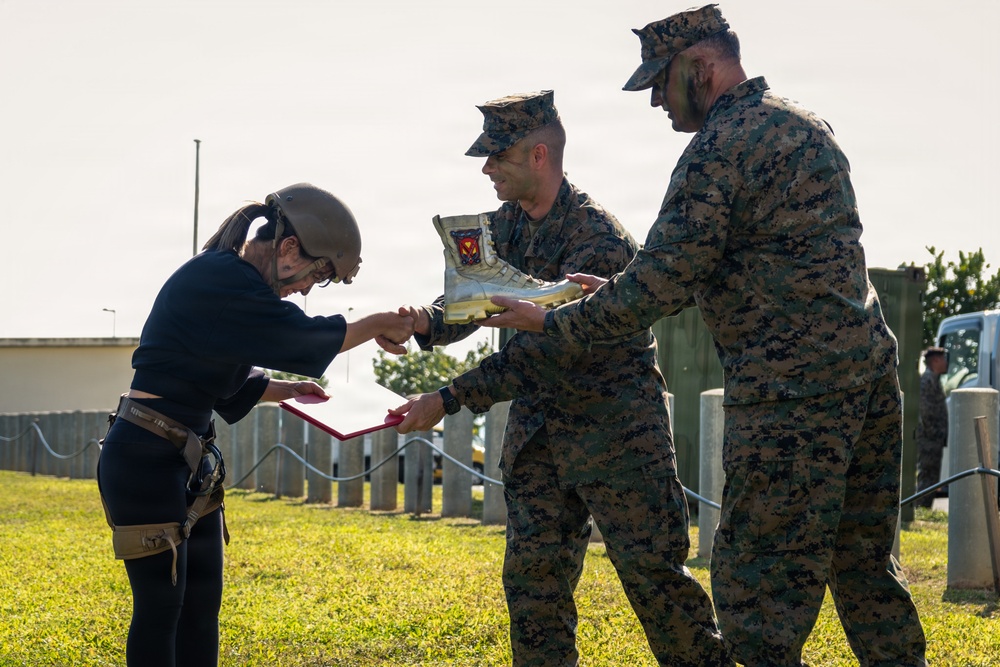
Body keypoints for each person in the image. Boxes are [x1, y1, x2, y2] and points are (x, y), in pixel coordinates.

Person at [479, 6, 927, 666]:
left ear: (702, 66)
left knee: (756, 607)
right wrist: (628, 292)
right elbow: (754, 270)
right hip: (867, 379)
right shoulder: (806, 125)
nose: (657, 100)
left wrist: (552, 319)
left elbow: (658, 282)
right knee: (865, 575)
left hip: (789, 401)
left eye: (661, 82)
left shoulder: (718, 149)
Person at [389, 91, 730, 667]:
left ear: (539, 155)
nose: (486, 168)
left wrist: (447, 399)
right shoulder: (504, 227)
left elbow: (546, 353)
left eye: (498, 157)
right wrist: (423, 322)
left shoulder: (597, 238)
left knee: (658, 590)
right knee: (534, 594)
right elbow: (473, 299)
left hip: (617, 438)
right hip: (541, 442)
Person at [97, 182, 414, 667]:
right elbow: (300, 336)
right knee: (161, 608)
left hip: (189, 459)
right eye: (316, 274)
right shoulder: (223, 278)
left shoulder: (235, 288)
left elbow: (219, 377)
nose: (307, 289)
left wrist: (286, 390)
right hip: (144, 457)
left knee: (201, 608)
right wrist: (378, 323)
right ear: (288, 249)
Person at [916, 346, 948, 508]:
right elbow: (926, 411)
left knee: (932, 476)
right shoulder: (927, 380)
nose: (946, 362)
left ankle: (924, 507)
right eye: (943, 359)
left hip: (934, 438)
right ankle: (921, 507)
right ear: (935, 360)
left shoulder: (933, 379)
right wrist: (936, 433)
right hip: (929, 439)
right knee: (927, 475)